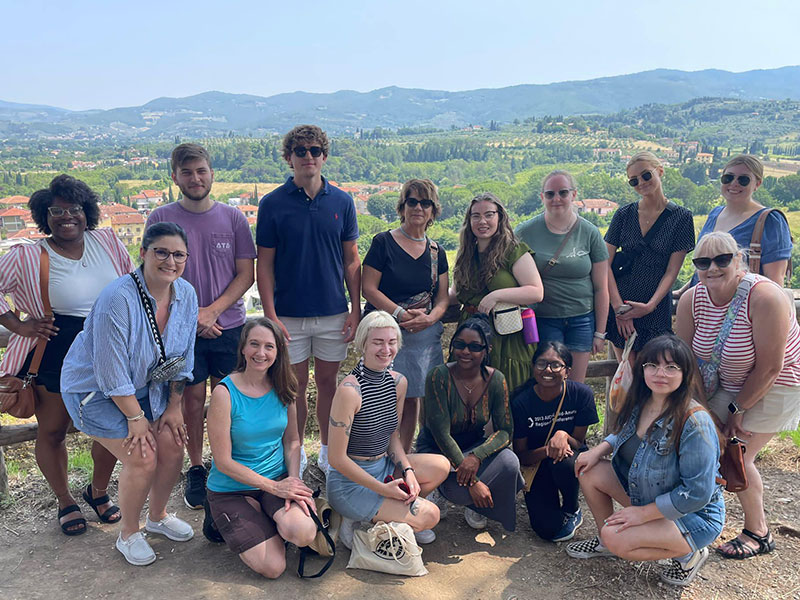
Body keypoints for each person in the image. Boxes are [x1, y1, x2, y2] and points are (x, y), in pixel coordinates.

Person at [0, 175, 133, 536]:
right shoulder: (27, 254)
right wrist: (19, 326)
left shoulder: (106, 240)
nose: (66, 216)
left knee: (112, 427)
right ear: (45, 215)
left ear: (86, 211)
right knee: (54, 430)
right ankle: (65, 501)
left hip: (110, 347)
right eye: (56, 210)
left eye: (74, 208)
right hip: (56, 351)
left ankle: (98, 491)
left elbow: (132, 283)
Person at [61, 222, 198, 566]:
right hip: (93, 392)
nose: (170, 260)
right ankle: (129, 533)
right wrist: (136, 418)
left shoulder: (187, 295)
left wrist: (175, 406)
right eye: (161, 252)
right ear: (143, 253)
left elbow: (184, 356)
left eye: (178, 254)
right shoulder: (117, 298)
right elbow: (110, 371)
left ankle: (158, 516)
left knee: (171, 441)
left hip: (146, 388)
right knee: (143, 456)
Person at [676, 231, 800, 560]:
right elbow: (685, 359)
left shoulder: (764, 298)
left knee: (737, 453)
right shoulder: (693, 298)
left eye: (722, 259)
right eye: (703, 261)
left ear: (739, 260)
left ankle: (759, 532)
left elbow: (770, 366)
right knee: (701, 437)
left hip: (778, 381)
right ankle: (692, 515)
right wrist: (706, 412)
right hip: (724, 379)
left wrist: (735, 410)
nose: (712, 268)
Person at [146, 143, 256, 511]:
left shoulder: (233, 218)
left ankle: (234, 466)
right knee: (189, 401)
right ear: (174, 176)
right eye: (187, 172)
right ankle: (196, 466)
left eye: (201, 171)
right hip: (180, 329)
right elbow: (155, 271)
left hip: (230, 327)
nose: (195, 178)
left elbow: (246, 274)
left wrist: (212, 311)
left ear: (212, 173)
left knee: (233, 400)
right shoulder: (160, 217)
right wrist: (193, 316)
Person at [566, 335, 724, 587]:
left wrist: (641, 515)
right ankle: (606, 544)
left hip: (693, 515)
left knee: (616, 536)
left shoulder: (695, 421)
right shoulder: (643, 401)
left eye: (671, 367)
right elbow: (622, 433)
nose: (660, 373)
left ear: (685, 373)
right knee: (589, 470)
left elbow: (697, 493)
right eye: (653, 365)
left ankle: (688, 555)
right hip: (649, 494)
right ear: (643, 369)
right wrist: (597, 450)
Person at [256, 124, 361, 475]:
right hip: (288, 315)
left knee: (329, 385)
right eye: (300, 151)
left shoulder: (343, 202)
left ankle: (331, 453)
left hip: (333, 312)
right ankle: (296, 451)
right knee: (294, 388)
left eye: (315, 150)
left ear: (324, 156)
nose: (308, 156)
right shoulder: (272, 204)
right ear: (289, 158)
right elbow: (265, 265)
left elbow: (351, 260)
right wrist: (270, 316)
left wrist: (355, 309)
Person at [326, 311, 450, 548]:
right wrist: (383, 489)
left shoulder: (398, 383)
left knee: (441, 466)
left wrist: (409, 471)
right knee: (431, 516)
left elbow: (393, 437)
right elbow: (336, 458)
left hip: (383, 467)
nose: (386, 349)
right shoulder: (349, 391)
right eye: (378, 342)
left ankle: (394, 514)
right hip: (350, 482)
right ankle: (356, 518)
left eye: (391, 342)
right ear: (363, 344)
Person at [206, 318, 317, 579]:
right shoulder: (224, 393)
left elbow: (292, 441)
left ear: (278, 352)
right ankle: (225, 517)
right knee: (274, 568)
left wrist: (293, 481)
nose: (261, 353)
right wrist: (276, 488)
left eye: (269, 346)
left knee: (304, 534)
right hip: (231, 489)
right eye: (254, 344)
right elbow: (222, 462)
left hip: (275, 479)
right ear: (243, 348)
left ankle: (262, 518)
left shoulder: (284, 388)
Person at [362, 179, 450, 451]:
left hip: (422, 334)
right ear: (402, 206)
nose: (418, 208)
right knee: (382, 395)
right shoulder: (383, 242)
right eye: (412, 201)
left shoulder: (437, 252)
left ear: (433, 211)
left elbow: (443, 297)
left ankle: (404, 455)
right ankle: (376, 451)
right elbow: (368, 288)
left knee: (413, 397)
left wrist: (430, 319)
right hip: (386, 331)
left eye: (425, 203)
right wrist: (399, 314)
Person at [417, 315, 523, 532]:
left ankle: (477, 506)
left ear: (486, 350)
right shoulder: (438, 376)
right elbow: (441, 434)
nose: (466, 351)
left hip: (473, 446)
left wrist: (476, 456)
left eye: (474, 347)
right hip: (436, 451)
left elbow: (505, 430)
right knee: (459, 491)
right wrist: (474, 482)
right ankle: (436, 490)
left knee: (510, 462)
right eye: (460, 344)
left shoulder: (496, 379)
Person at [515, 170, 609, 382]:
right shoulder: (525, 232)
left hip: (582, 319)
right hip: (543, 318)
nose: (556, 198)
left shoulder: (589, 232)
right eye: (550, 194)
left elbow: (601, 287)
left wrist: (600, 332)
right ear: (542, 198)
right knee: (549, 382)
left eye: (563, 192)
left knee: (575, 385)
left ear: (574, 195)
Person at [606, 151, 695, 360]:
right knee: (627, 374)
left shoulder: (682, 218)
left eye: (646, 175)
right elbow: (604, 264)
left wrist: (649, 306)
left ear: (660, 171)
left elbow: (672, 271)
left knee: (652, 373)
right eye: (633, 181)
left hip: (654, 307)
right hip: (621, 303)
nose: (641, 183)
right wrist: (619, 309)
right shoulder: (623, 215)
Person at [453, 193, 544, 393]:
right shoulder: (466, 254)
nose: (482, 221)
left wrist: (496, 296)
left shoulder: (513, 251)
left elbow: (536, 292)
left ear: (500, 217)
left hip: (508, 334)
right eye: (475, 216)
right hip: (471, 334)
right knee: (469, 395)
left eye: (489, 214)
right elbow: (457, 293)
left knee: (508, 393)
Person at [511, 341, 598, 542]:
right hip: (536, 464)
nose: (547, 370)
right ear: (533, 368)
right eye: (541, 364)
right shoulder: (521, 402)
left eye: (556, 365)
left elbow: (580, 442)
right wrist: (548, 449)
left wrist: (563, 436)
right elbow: (522, 455)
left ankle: (571, 508)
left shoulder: (581, 394)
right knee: (548, 530)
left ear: (567, 371)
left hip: (567, 460)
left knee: (565, 461)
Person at [677, 154, 792, 294]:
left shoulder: (770, 220)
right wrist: (684, 291)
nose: (734, 183)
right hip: (703, 305)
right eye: (728, 177)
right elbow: (708, 264)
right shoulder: (715, 214)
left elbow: (775, 281)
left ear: (757, 184)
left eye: (743, 179)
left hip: (742, 309)